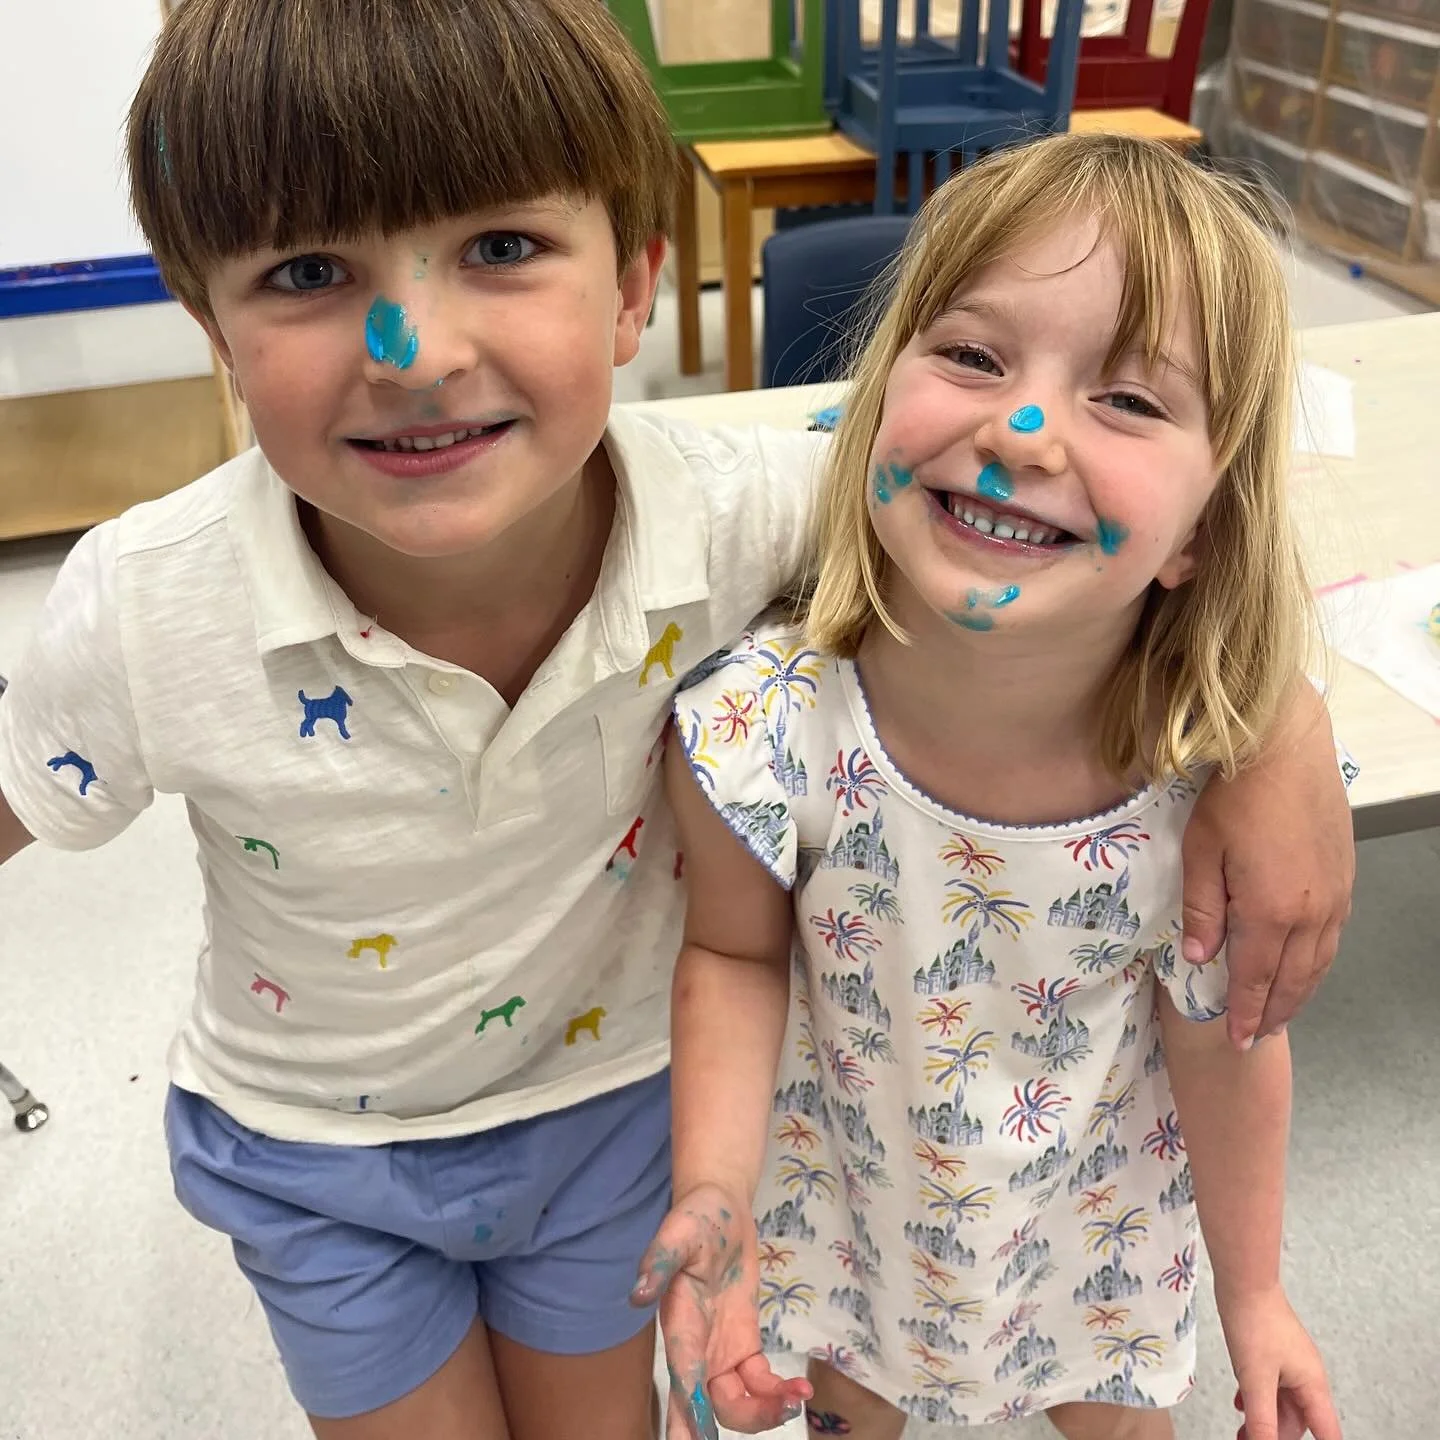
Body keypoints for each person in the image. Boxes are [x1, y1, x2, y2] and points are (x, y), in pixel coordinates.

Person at [0, 0, 1347, 1432]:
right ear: (209, 321)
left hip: (606, 1126)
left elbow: (1085, 529)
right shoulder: (148, 603)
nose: (414, 349)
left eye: (501, 248)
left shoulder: (754, 511)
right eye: (311, 269)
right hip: (315, 1158)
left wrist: (1279, 729)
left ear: (635, 285)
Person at [640, 134, 1345, 1440]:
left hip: (1099, 1250)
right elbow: (732, 961)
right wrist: (719, 1196)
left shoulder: (1205, 792)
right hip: (849, 1223)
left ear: (1202, 532)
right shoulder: (764, 731)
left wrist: (1256, 1298)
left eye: (1130, 403)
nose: (1022, 431)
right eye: (972, 356)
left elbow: (1228, 1040)